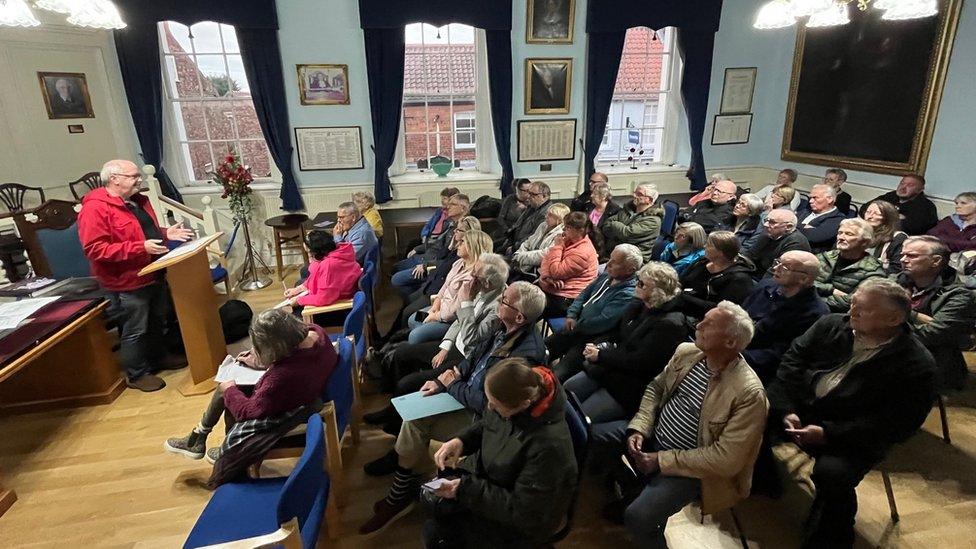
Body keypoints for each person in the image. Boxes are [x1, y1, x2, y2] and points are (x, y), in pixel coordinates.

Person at [359, 282, 547, 535]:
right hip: (465, 396)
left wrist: (454, 384)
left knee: (416, 421)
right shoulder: (503, 327)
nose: (499, 300)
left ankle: (400, 494)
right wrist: (443, 380)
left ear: (519, 316)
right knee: (414, 415)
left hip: (484, 419)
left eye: (504, 300)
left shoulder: (525, 357)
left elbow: (489, 404)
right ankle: (404, 488)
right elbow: (473, 358)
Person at [763, 279, 936, 547]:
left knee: (833, 474)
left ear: (894, 318)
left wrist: (828, 433)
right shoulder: (832, 324)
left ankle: (834, 534)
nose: (851, 311)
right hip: (803, 409)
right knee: (750, 414)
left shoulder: (916, 364)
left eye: (862, 309)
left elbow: (896, 424)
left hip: (850, 432)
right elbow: (792, 361)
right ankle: (762, 480)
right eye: (853, 302)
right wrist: (786, 409)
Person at [618, 302, 768, 546]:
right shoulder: (688, 352)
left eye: (709, 325)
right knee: (599, 437)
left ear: (730, 342)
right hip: (653, 439)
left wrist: (661, 460)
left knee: (639, 517)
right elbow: (656, 388)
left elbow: (725, 460)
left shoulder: (749, 393)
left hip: (692, 468)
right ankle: (634, 492)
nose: (698, 325)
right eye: (703, 319)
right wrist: (640, 426)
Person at [163, 309, 337, 482]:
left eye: (260, 347)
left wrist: (230, 389)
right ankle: (198, 435)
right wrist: (256, 361)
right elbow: (293, 357)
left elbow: (248, 411)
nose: (255, 350)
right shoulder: (316, 334)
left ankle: (211, 443)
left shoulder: (280, 376)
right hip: (306, 390)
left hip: (295, 410)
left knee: (228, 390)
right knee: (229, 388)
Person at [423, 358, 576, 549]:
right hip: (493, 483)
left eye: (495, 405)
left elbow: (525, 512)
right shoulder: (514, 399)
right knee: (432, 503)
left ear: (523, 404)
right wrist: (461, 441)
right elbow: (489, 424)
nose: (489, 407)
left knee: (437, 534)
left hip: (519, 522)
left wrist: (463, 489)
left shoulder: (549, 449)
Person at [78, 159, 194, 392]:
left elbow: (145, 232)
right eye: (133, 177)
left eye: (138, 176)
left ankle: (158, 358)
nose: (139, 180)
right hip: (127, 281)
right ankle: (137, 374)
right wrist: (141, 248)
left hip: (154, 273)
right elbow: (95, 249)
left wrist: (166, 233)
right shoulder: (95, 208)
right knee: (135, 329)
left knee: (156, 322)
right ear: (114, 179)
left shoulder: (137, 201)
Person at [364, 254, 510, 435]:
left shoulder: (497, 309)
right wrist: (445, 346)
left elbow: (472, 338)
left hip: (467, 356)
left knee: (407, 383)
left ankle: (396, 421)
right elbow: (459, 321)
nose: (470, 277)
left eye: (475, 275)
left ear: (486, 283)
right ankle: (392, 404)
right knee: (403, 354)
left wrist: (466, 302)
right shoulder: (480, 290)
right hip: (454, 346)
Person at [562, 261, 689, 437]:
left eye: (642, 284)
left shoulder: (670, 324)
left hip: (627, 385)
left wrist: (601, 356)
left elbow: (641, 362)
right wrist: (597, 345)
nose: (636, 285)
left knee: (580, 417)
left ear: (657, 292)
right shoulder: (638, 305)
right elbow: (616, 333)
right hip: (609, 367)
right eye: (638, 280)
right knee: (567, 389)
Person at [546, 244, 642, 379]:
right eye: (610, 259)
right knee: (541, 350)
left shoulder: (627, 294)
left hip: (590, 338)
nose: (608, 264)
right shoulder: (607, 275)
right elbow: (584, 293)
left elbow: (603, 322)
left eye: (615, 262)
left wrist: (576, 324)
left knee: (558, 374)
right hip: (575, 325)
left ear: (629, 270)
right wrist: (572, 314)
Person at [895, 235, 976, 391]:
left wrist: (903, 313)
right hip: (896, 357)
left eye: (912, 256)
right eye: (903, 255)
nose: (903, 260)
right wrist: (919, 318)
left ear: (936, 261)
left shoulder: (960, 294)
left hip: (932, 368)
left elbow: (933, 334)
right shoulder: (898, 280)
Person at [740, 250, 827, 383]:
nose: (776, 268)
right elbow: (739, 315)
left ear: (804, 279)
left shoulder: (816, 313)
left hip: (759, 370)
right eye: (777, 262)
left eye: (785, 267)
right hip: (734, 346)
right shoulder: (765, 285)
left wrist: (735, 354)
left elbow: (783, 354)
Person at [406, 230, 492, 345]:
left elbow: (458, 308)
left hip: (453, 320)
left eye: (462, 242)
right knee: (413, 319)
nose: (457, 245)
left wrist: (436, 316)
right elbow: (445, 286)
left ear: (473, 246)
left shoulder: (475, 276)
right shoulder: (459, 263)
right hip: (441, 308)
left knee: (415, 335)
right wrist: (436, 305)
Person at [392, 194, 470, 297]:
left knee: (396, 279)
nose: (447, 207)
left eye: (452, 204)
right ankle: (416, 295)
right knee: (396, 268)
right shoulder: (450, 223)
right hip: (431, 256)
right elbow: (437, 243)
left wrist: (426, 265)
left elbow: (451, 260)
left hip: (435, 264)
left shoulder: (465, 228)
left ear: (462, 208)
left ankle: (417, 296)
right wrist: (418, 249)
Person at [284, 231, 362, 326]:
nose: (309, 255)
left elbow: (323, 298)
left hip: (336, 309)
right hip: (336, 296)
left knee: (294, 322)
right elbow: (316, 277)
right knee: (298, 286)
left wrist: (299, 300)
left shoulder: (328, 265)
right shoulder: (340, 250)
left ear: (316, 251)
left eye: (309, 252)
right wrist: (299, 289)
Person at [679, 230, 756, 319]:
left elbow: (721, 309)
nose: (704, 247)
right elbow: (683, 280)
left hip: (702, 318)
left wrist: (682, 297)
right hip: (682, 305)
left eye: (709, 245)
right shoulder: (702, 262)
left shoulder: (739, 279)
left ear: (721, 252)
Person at [814, 218, 885, 312]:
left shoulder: (873, 271)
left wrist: (813, 298)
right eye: (840, 233)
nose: (841, 237)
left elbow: (852, 302)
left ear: (865, 242)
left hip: (837, 317)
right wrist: (831, 290)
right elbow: (801, 281)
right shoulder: (826, 257)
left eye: (849, 234)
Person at [538, 211, 599, 318]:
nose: (563, 230)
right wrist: (547, 277)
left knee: (528, 308)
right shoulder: (568, 240)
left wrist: (557, 247)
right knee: (523, 298)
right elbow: (547, 259)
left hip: (566, 299)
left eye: (568, 228)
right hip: (553, 288)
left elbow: (556, 271)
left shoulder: (583, 252)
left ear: (580, 230)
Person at [600, 183, 663, 262]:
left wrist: (614, 224)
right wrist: (618, 231)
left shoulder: (653, 221)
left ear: (649, 200)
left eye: (639, 194)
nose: (634, 196)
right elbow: (606, 225)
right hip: (612, 253)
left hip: (631, 260)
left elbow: (626, 234)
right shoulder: (628, 209)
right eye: (635, 192)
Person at [860, 174, 938, 235]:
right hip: (874, 234)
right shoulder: (891, 196)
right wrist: (894, 216)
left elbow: (913, 228)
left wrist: (880, 216)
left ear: (919, 190)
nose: (903, 187)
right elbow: (864, 209)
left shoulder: (926, 206)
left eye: (910, 185)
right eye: (902, 183)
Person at [744, 209, 811, 278]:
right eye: (766, 220)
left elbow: (778, 272)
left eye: (772, 222)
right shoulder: (767, 233)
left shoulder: (796, 243)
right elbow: (750, 255)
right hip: (755, 274)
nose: (765, 224)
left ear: (788, 227)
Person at [511, 202, 569, 279]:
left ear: (559, 220)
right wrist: (519, 253)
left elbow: (545, 254)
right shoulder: (543, 225)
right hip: (524, 262)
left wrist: (520, 257)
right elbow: (528, 242)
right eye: (547, 213)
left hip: (538, 270)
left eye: (550, 215)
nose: (546, 216)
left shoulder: (561, 234)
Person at [500, 181, 552, 253]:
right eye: (529, 193)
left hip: (522, 248)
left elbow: (533, 236)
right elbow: (518, 225)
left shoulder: (546, 214)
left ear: (544, 196)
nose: (528, 196)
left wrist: (514, 247)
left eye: (532, 194)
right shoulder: (532, 206)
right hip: (512, 240)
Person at [796, 184, 847, 254]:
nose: (810, 201)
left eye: (815, 198)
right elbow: (785, 225)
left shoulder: (838, 219)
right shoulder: (806, 211)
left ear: (830, 199)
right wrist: (805, 227)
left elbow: (814, 237)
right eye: (810, 198)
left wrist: (794, 227)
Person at [862, 199, 908, 274]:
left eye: (876, 214)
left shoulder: (898, 238)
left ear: (888, 217)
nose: (869, 216)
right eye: (868, 212)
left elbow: (897, 269)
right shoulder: (860, 234)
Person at [587, 182, 623, 255]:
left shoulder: (615, 211)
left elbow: (611, 235)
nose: (591, 195)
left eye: (595, 194)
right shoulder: (588, 207)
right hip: (587, 244)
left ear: (603, 196)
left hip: (602, 249)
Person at [492, 178, 530, 243]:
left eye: (529, 190)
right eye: (525, 191)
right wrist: (507, 230)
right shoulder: (510, 199)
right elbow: (501, 218)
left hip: (520, 234)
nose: (528, 193)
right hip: (506, 231)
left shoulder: (532, 202)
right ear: (517, 190)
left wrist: (525, 209)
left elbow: (532, 220)